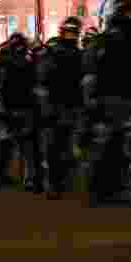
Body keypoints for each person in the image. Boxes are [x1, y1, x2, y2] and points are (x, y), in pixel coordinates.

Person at [82, 0, 131, 210]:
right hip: (112, 104)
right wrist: (92, 103)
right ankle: (106, 191)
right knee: (109, 148)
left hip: (128, 104)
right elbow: (90, 76)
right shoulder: (106, 42)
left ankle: (130, 192)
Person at [35, 17, 84, 199]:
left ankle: (63, 182)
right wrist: (45, 106)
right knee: (54, 148)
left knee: (69, 149)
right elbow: (42, 82)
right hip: (56, 108)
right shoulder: (52, 53)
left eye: (74, 32)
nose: (71, 35)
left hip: (73, 108)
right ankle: (53, 184)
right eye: (69, 32)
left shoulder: (79, 55)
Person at [0, 33, 39, 191]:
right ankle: (0, 177)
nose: (19, 52)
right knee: (7, 146)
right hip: (10, 111)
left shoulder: (29, 66)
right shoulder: (4, 67)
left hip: (24, 111)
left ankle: (28, 179)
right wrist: (2, 112)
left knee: (27, 147)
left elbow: (34, 89)